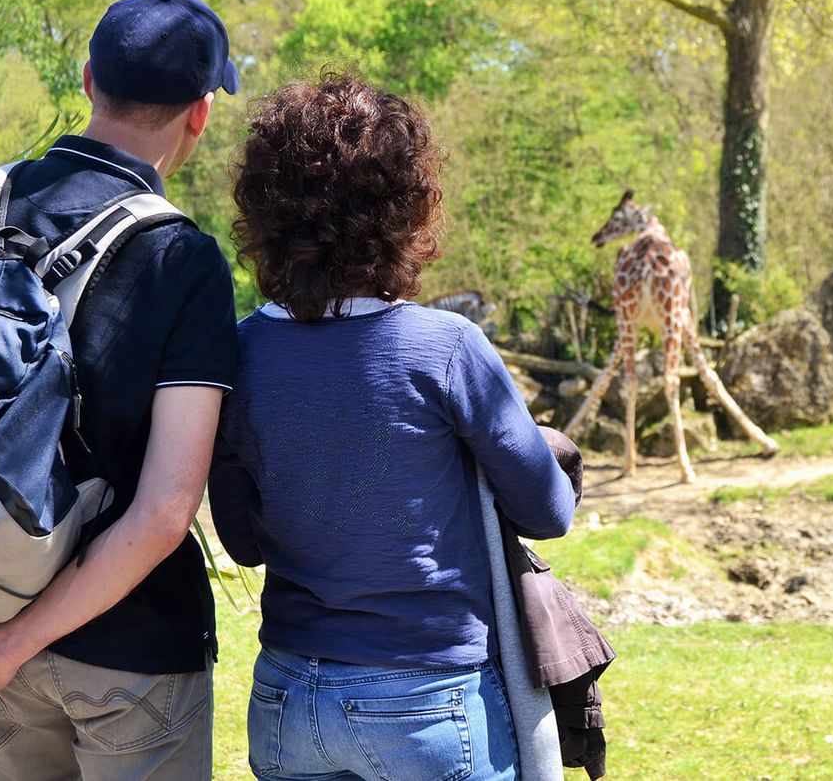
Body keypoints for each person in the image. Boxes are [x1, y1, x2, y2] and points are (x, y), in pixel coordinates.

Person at [0, 0, 242, 779]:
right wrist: (8, 650)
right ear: (201, 114)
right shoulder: (180, 258)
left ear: (88, 80)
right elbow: (161, 514)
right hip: (131, 654)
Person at [208, 73, 577, 781]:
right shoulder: (447, 347)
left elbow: (243, 542)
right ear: (406, 206)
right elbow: (547, 512)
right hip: (427, 699)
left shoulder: (237, 354)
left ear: (265, 213)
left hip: (288, 696)